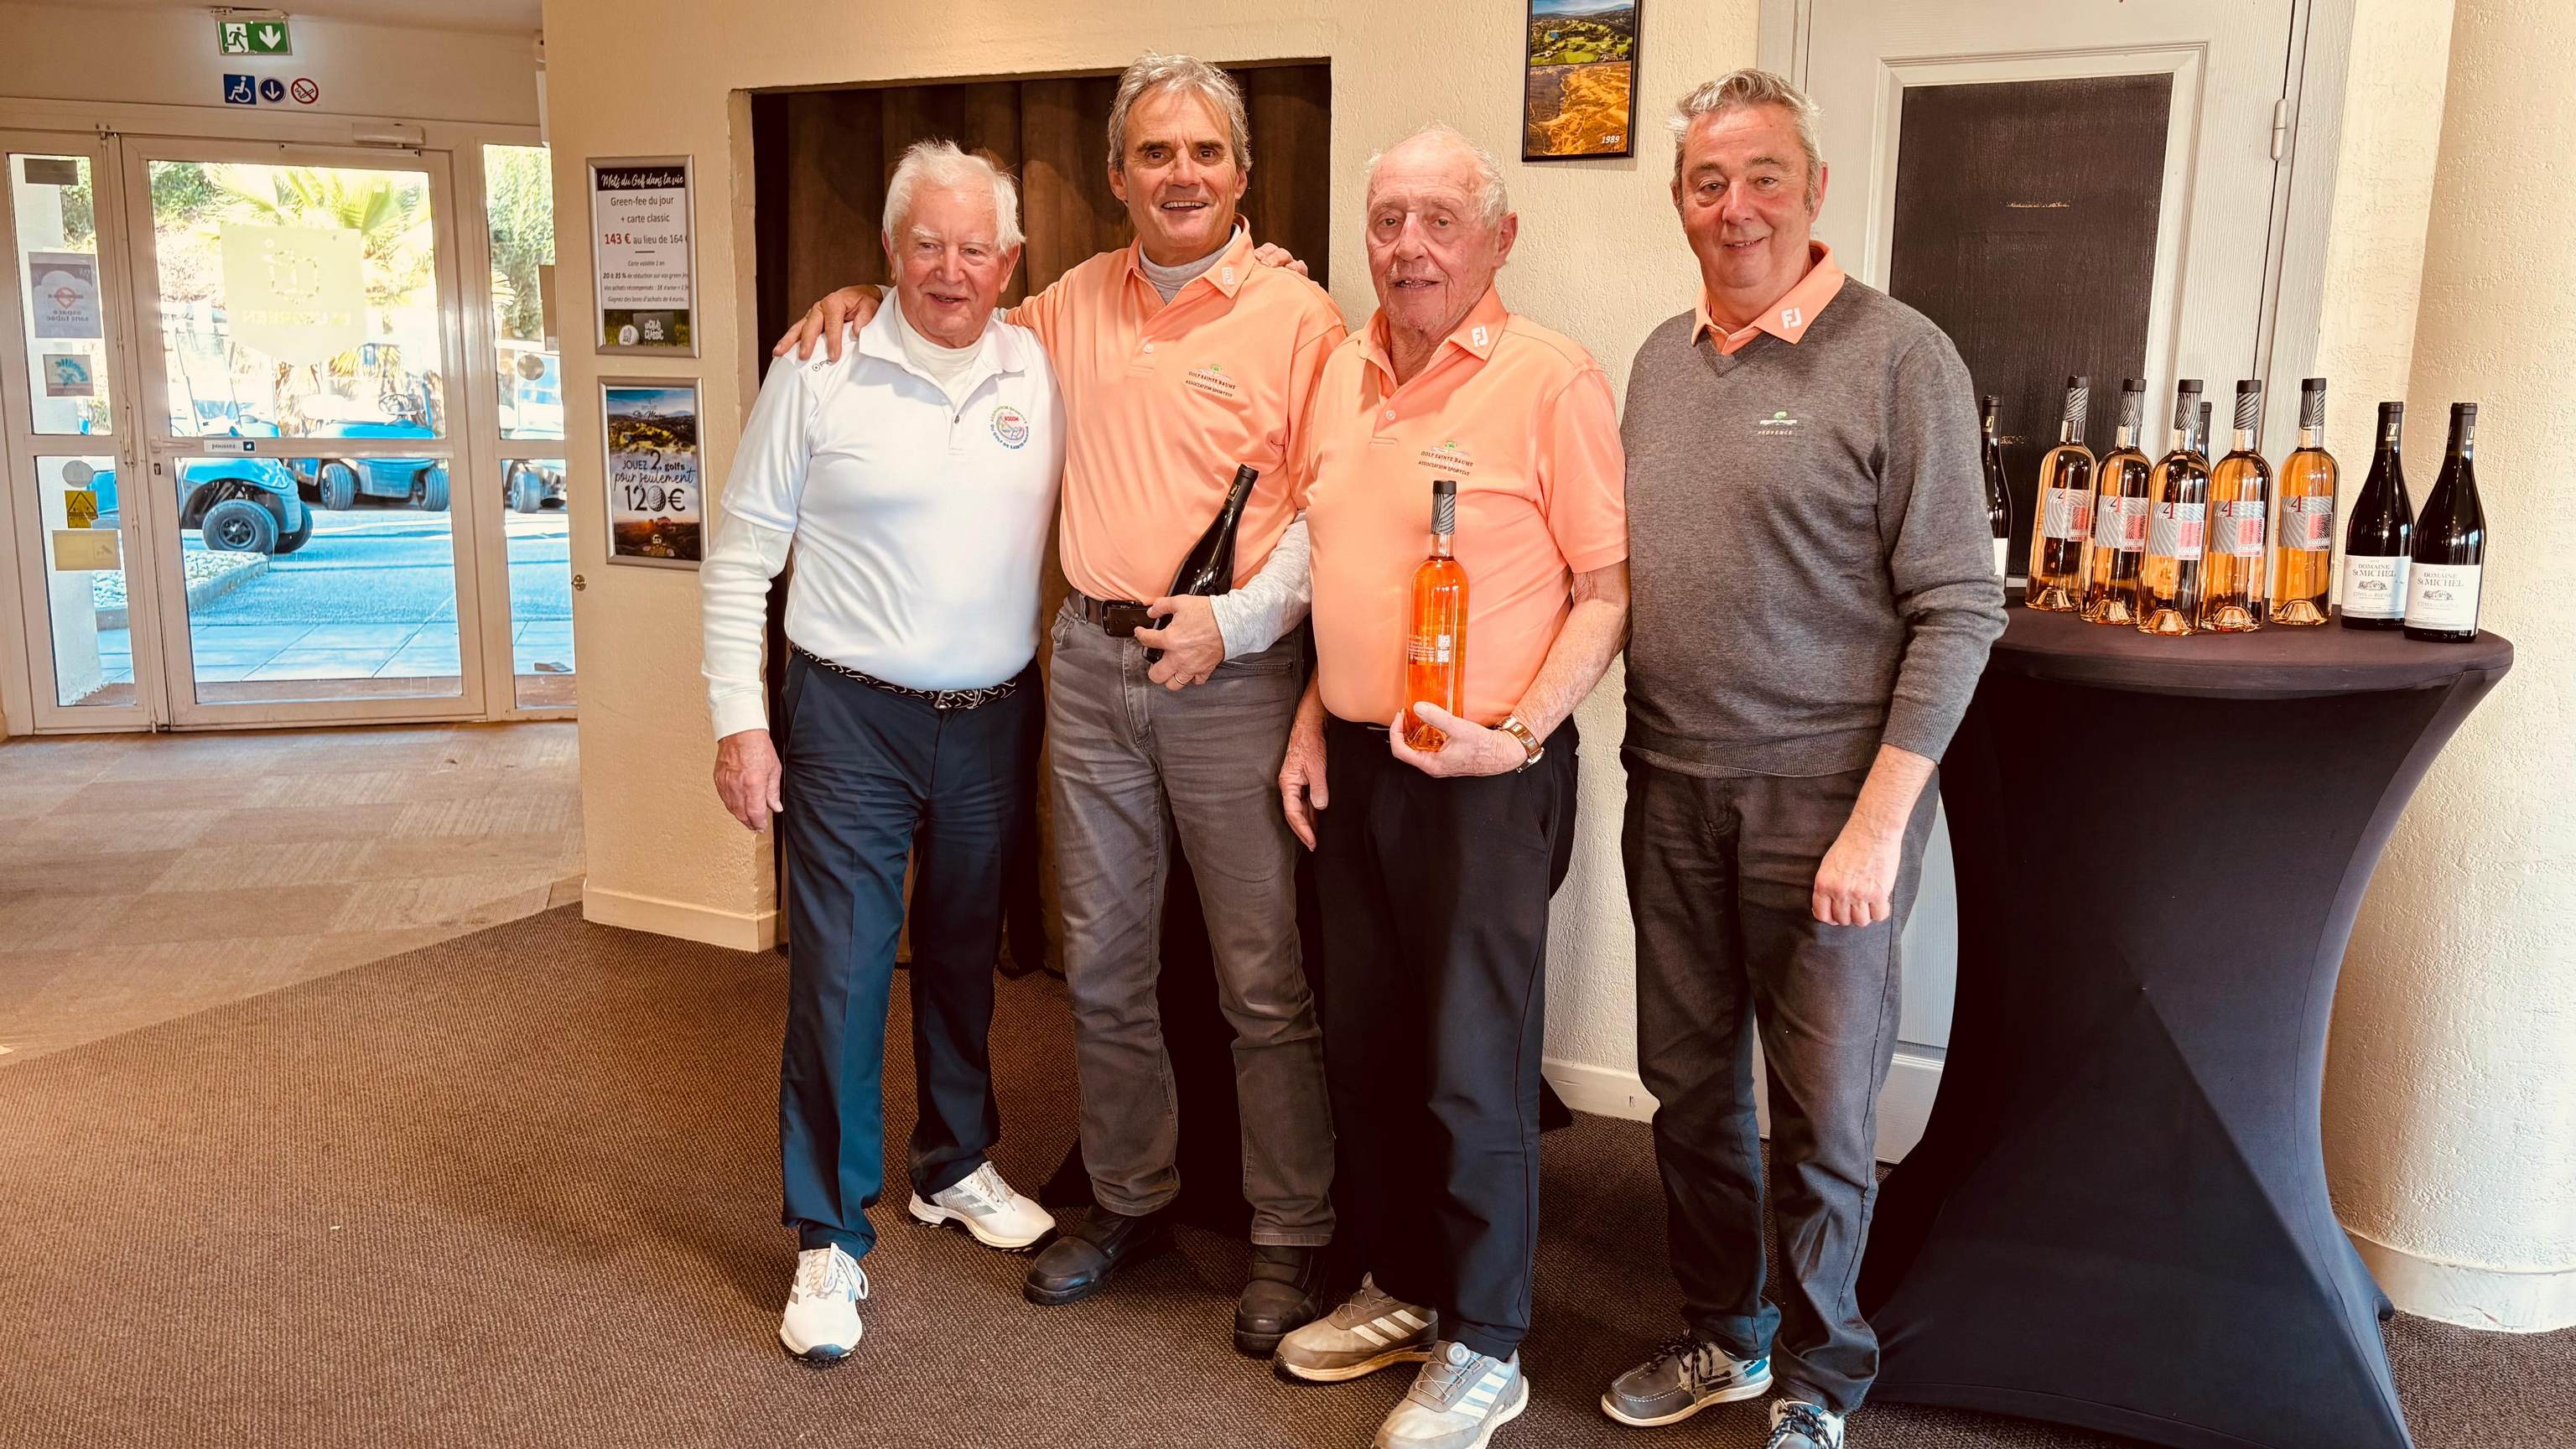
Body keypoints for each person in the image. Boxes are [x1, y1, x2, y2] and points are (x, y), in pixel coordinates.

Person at [772, 54, 1347, 1353]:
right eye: (1155, 153)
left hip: (1230, 672)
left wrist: (1240, 621)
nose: (1181, 174)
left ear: (1243, 173)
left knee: (1262, 975)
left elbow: (1330, 507)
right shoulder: (1069, 303)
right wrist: (864, 297)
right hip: (1089, 668)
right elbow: (947, 314)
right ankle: (1131, 1195)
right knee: (1105, 964)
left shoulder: (1302, 317)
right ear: (1117, 177)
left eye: (1205, 152)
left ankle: (1291, 1232)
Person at [1595, 72, 2007, 1449]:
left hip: (1827, 799)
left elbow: (1961, 606)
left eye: (1765, 176)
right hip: (1669, 781)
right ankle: (1729, 1335)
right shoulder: (1660, 360)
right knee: (1688, 1089)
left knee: (1824, 1114)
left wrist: (1881, 823)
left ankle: (1825, 1381)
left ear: (1815, 189)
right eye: (1710, 182)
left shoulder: (1901, 357)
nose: (1738, 207)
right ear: (1679, 202)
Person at [1273, 125, 1630, 1449]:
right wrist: (1315, 717)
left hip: (1485, 772)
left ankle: (1486, 1343)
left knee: (1472, 1064)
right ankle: (1404, 1285)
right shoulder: (1341, 372)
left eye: (1439, 220)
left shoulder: (1551, 379)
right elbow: (1343, 568)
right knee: (1367, 1048)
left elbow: (1608, 592)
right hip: (1361, 763)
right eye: (1388, 220)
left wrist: (1519, 734)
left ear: (1498, 239)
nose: (1408, 246)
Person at [702, 140, 1064, 1363]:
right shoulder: (821, 363)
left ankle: (951, 1165)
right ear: (890, 253)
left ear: (1011, 261)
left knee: (964, 957)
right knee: (845, 976)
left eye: (975, 249)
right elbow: (741, 553)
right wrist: (739, 723)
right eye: (926, 246)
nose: (950, 271)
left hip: (994, 714)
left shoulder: (1041, 363)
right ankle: (826, 1234)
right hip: (850, 716)